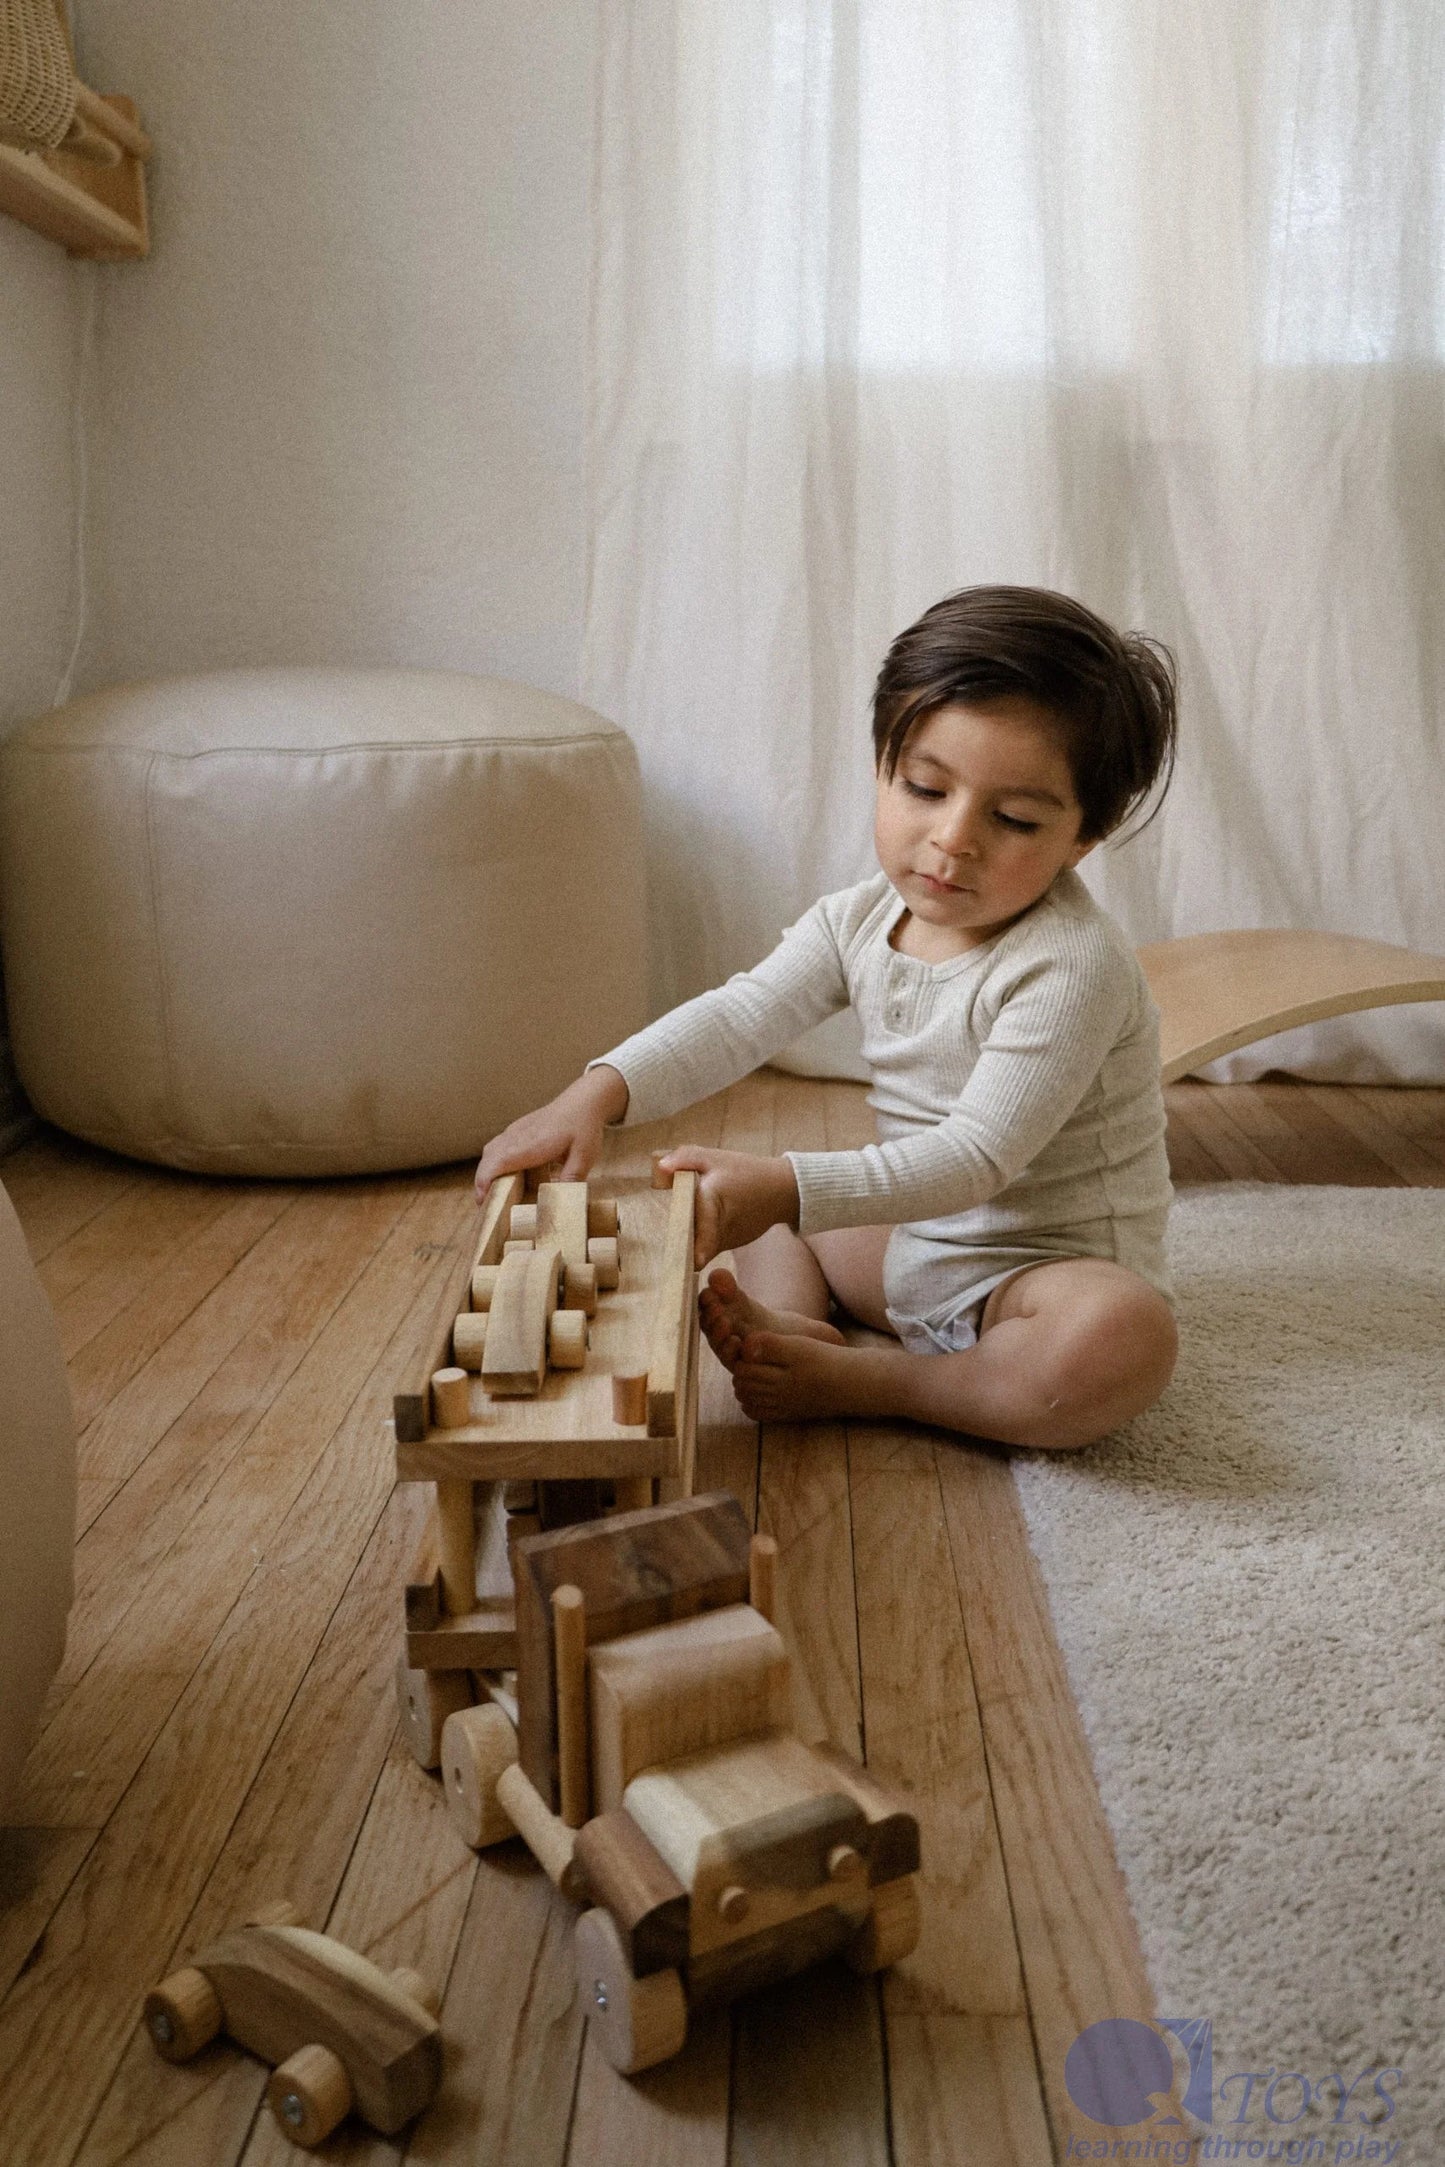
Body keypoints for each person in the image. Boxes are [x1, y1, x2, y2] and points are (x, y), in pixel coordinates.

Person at [475, 585, 1181, 1452]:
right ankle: (787, 1325)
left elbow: (977, 1157)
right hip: (916, 1245)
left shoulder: (1069, 963)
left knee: (1119, 1340)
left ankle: (885, 1380)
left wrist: (790, 1184)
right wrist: (596, 1091)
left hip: (1037, 1273)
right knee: (752, 1203)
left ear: (1082, 837)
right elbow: (740, 1015)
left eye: (1013, 818)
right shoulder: (856, 918)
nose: (953, 837)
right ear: (883, 764)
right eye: (925, 787)